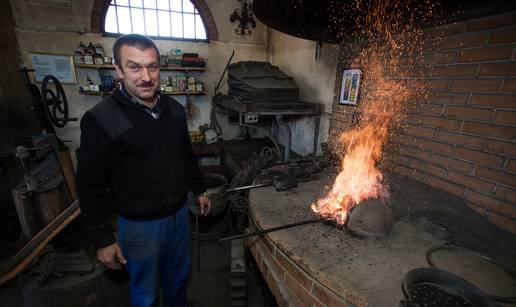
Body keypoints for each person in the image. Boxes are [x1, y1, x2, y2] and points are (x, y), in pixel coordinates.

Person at [76, 34, 211, 307]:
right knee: (145, 295)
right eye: (135, 67)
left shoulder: (173, 109)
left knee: (177, 284)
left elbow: (185, 154)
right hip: (140, 228)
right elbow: (89, 183)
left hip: (179, 218)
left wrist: (199, 189)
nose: (146, 77)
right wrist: (102, 238)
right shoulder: (101, 119)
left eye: (152, 66)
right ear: (118, 69)